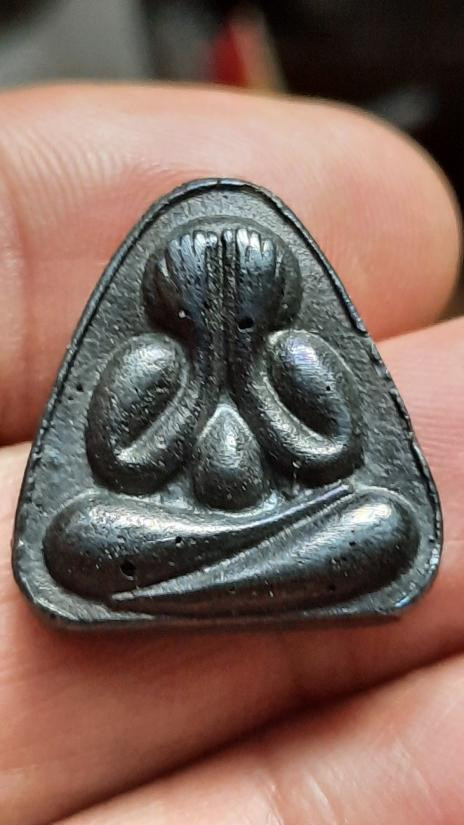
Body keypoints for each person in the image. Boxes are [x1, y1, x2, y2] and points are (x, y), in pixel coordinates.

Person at [0, 83, 462, 824]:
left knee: (384, 523)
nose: (224, 311)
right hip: (181, 532)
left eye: (240, 300)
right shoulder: (150, 361)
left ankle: (199, 583)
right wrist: (199, 384)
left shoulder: (296, 355)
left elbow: (333, 453)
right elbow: (124, 468)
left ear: (269, 300)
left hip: (285, 525)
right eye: (206, 299)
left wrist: (248, 379)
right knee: (74, 539)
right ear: (172, 300)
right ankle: (245, 577)